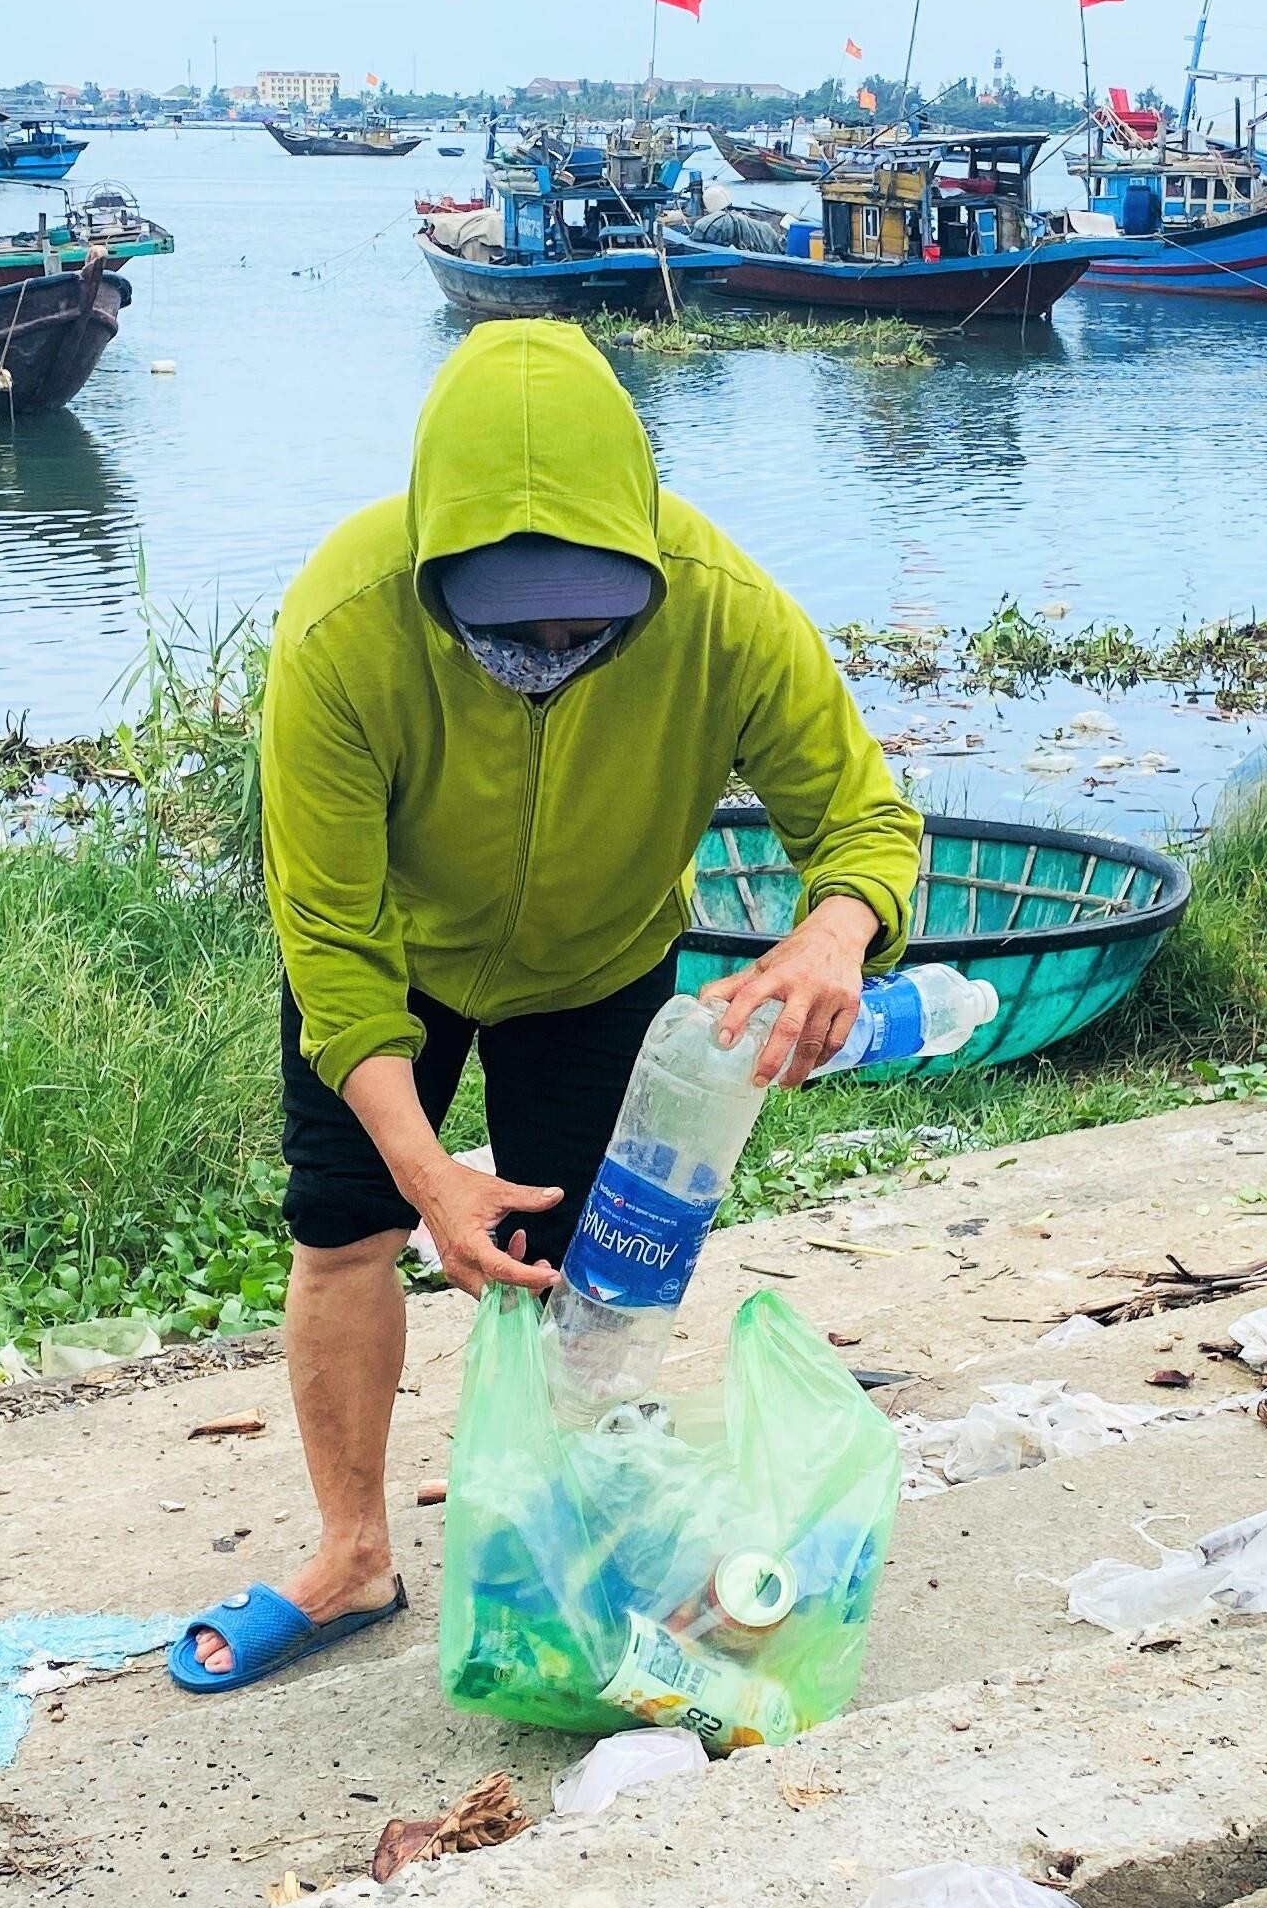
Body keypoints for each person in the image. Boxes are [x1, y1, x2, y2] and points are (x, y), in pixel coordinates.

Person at [172, 319, 921, 1691]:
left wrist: (834, 929)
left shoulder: (722, 608)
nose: (555, 651)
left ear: (642, 559)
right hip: (391, 954)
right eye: (510, 630)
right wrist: (423, 1172)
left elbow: (864, 822)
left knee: (590, 1271)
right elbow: (329, 938)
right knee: (346, 1229)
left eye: (592, 624)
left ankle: (572, 1543)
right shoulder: (343, 627)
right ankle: (353, 1552)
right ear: (436, 574)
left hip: (595, 960)